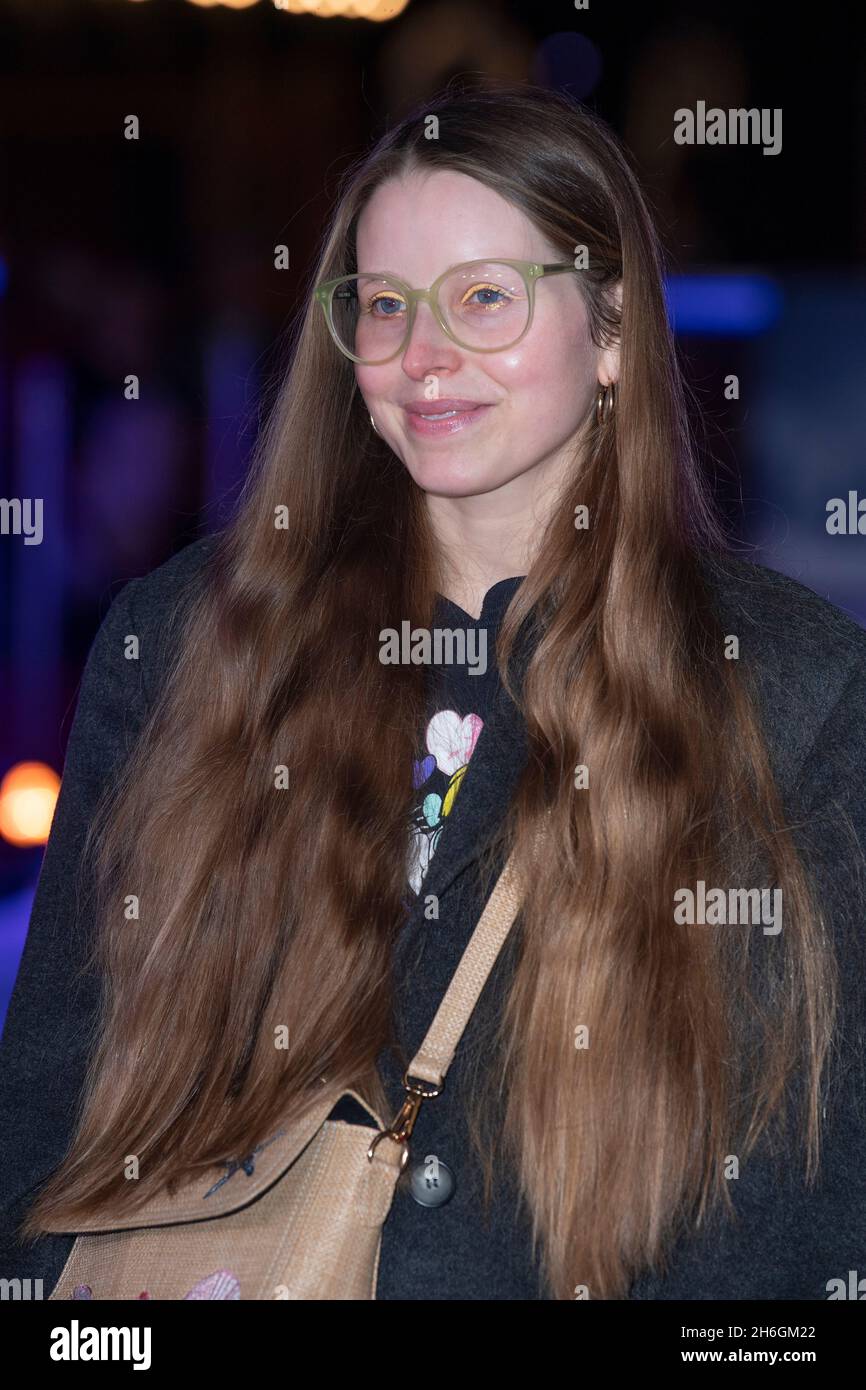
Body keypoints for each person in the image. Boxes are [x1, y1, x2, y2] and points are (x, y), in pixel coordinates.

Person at [2, 82, 865, 1302]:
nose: (423, 357)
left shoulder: (793, 689)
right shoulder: (187, 640)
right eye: (384, 306)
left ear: (611, 327)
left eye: (483, 300)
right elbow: (50, 1098)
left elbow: (821, 1192)